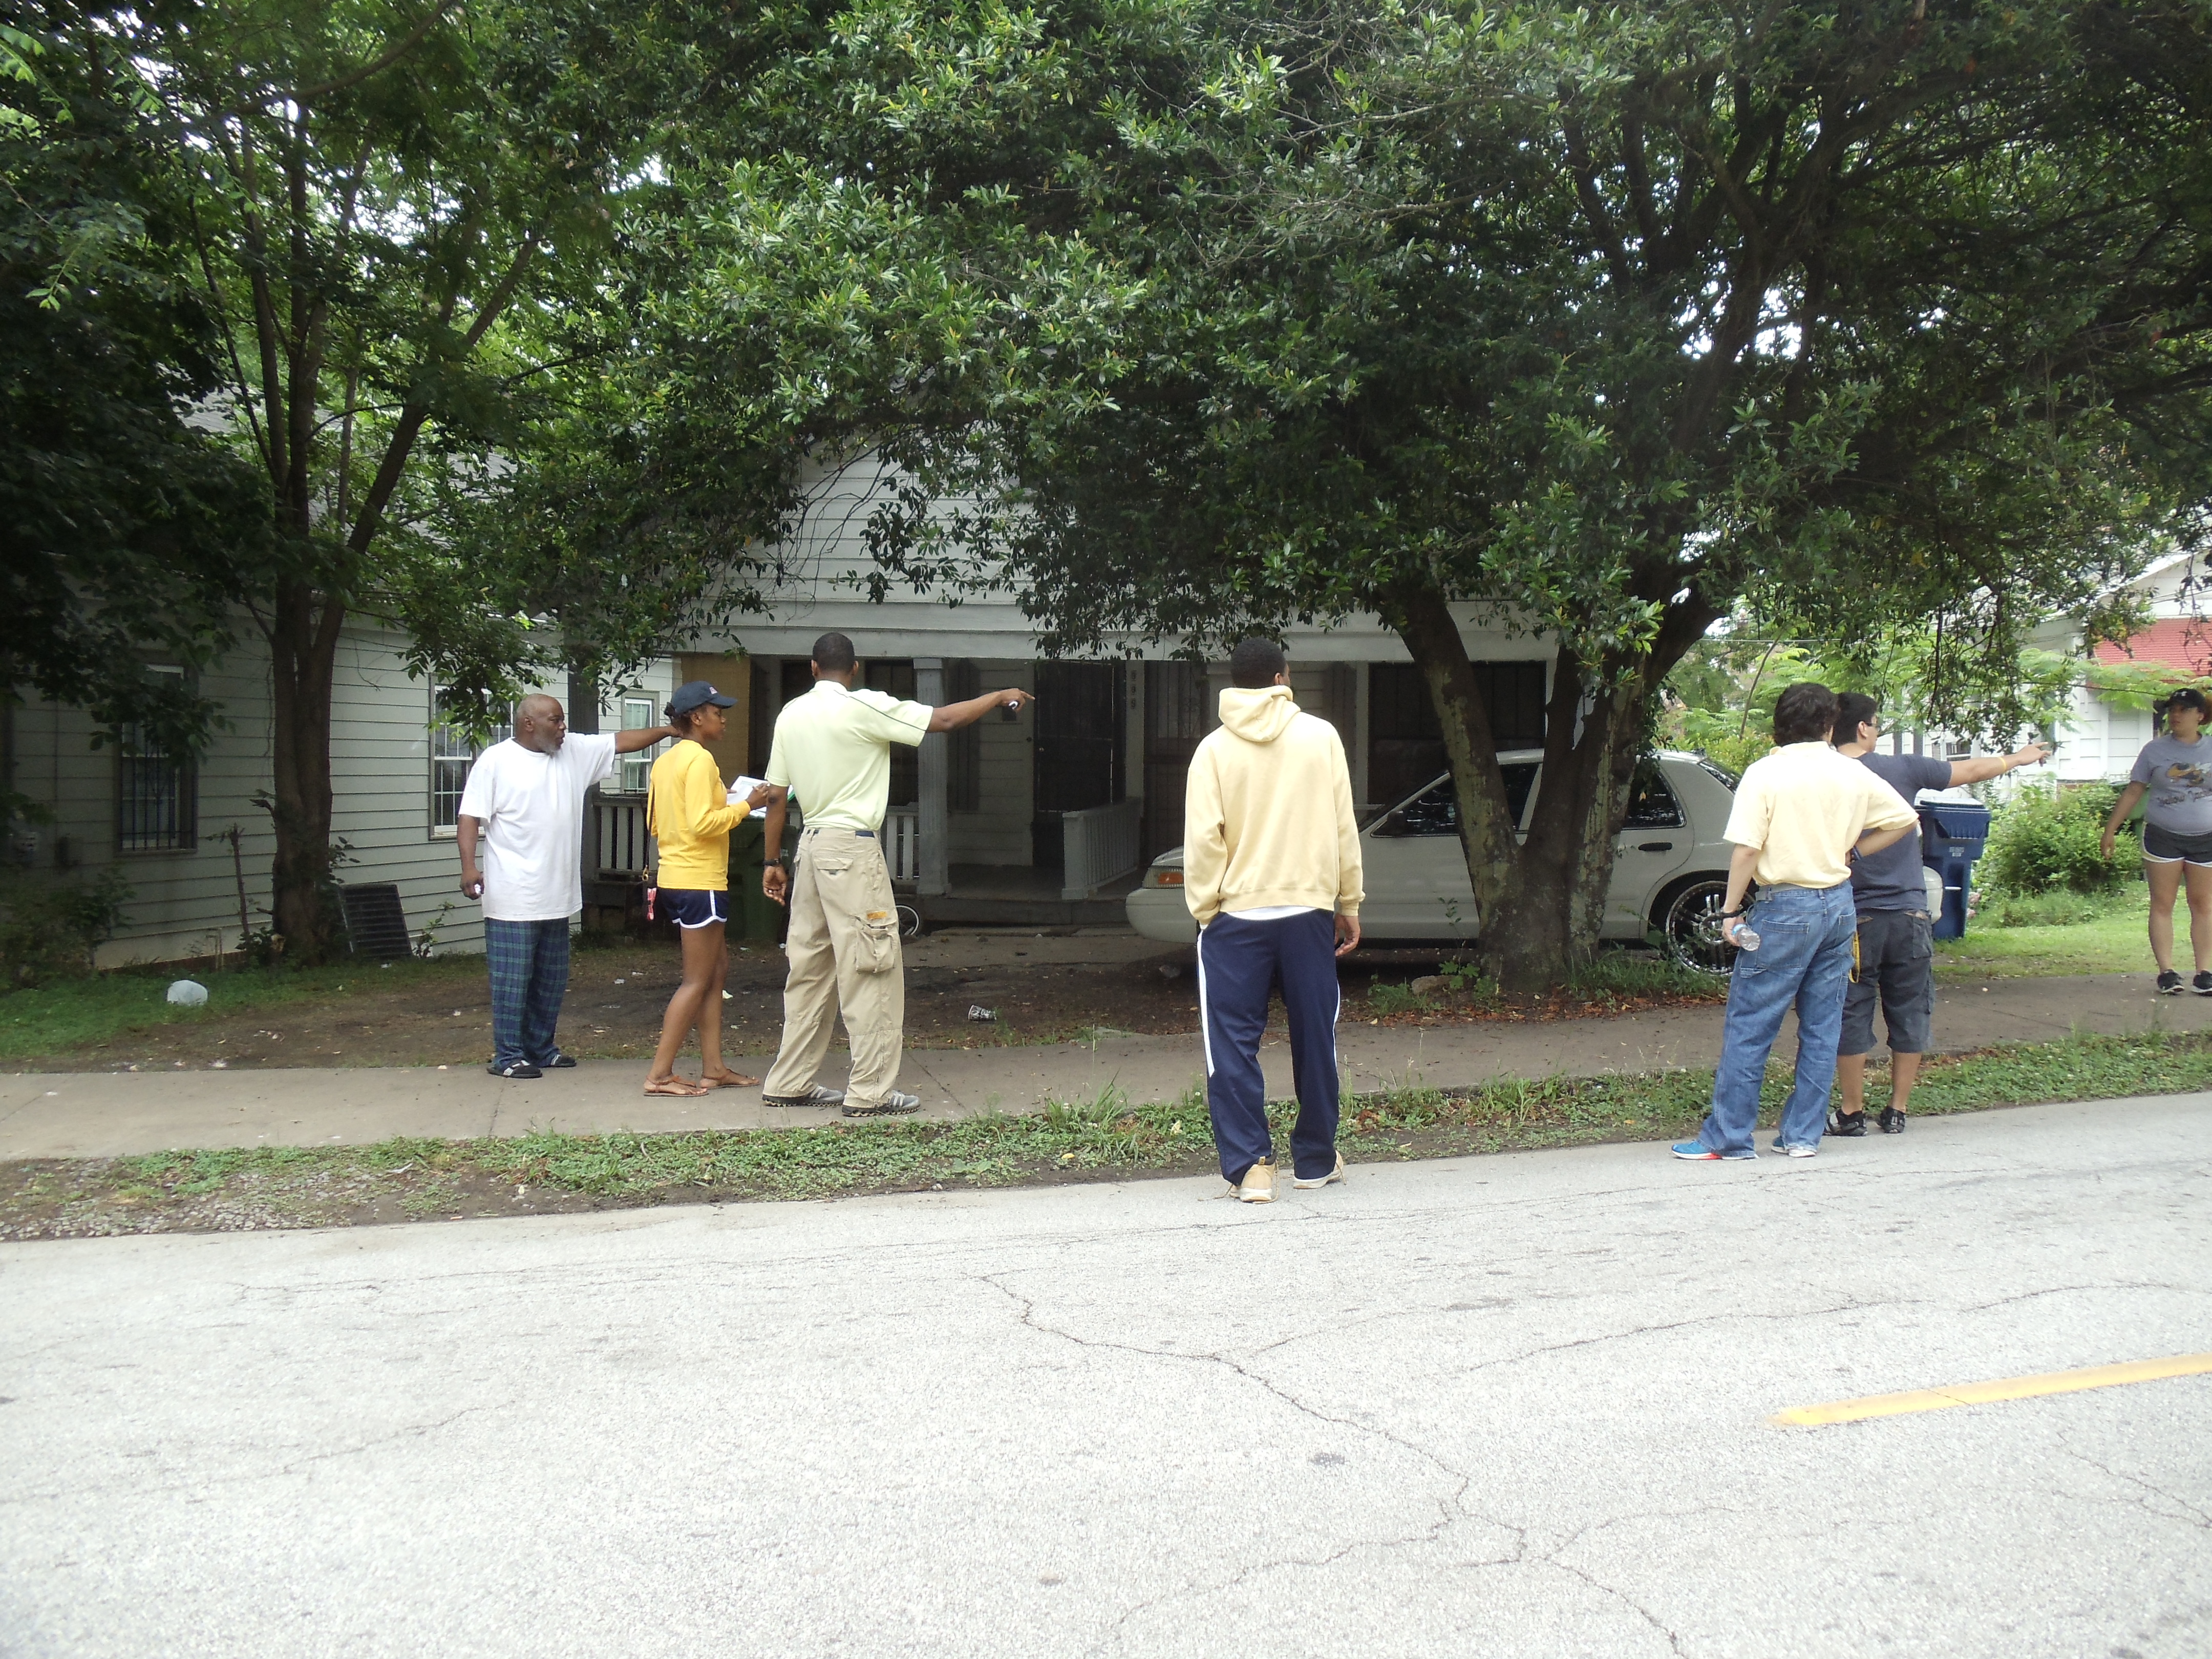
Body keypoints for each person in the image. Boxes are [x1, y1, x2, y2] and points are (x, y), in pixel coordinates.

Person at [757, 633, 1033, 1116]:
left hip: (811, 848)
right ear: (855, 669)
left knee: (810, 970)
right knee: (872, 966)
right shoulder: (864, 706)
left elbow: (776, 795)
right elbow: (943, 720)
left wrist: (771, 862)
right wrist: (996, 696)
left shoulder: (791, 714)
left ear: (814, 668)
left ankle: (790, 1081)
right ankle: (871, 1092)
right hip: (852, 848)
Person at [1672, 682, 1918, 1161]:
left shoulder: (1766, 773)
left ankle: (1728, 1138)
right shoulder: (1851, 771)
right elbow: (1904, 819)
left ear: (1780, 724)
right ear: (1830, 724)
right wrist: (1854, 853)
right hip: (1839, 906)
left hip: (1784, 907)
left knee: (1751, 1023)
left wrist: (1730, 911)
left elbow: (1747, 849)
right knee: (1823, 1025)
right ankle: (1802, 1135)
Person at [1183, 637, 1364, 1203]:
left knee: (1232, 1044)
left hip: (1236, 915)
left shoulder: (1212, 750)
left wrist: (1206, 910)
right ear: (1284, 678)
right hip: (1308, 910)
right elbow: (1343, 827)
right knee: (1315, 1034)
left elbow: (1203, 840)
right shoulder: (1321, 737)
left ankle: (1252, 1169)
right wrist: (1349, 902)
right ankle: (1315, 1159)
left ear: (1236, 683)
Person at [1831, 694, 2051, 1135]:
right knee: (1910, 1008)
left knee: (1851, 1011)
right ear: (1863, 727)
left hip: (1854, 916)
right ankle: (1897, 1110)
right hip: (1910, 913)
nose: (1878, 731)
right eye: (1876, 724)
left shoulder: (1823, 773)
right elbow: (1970, 771)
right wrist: (2018, 758)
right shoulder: (1902, 768)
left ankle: (1852, 1112)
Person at [457, 693, 674, 1080]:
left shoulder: (572, 751)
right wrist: (469, 867)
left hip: (557, 894)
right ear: (529, 724)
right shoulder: (496, 761)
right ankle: (508, 1056)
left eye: (563, 720)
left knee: (550, 980)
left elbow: (622, 741)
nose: (563, 728)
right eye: (555, 721)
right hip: (513, 896)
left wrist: (670, 730)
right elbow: (470, 817)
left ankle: (541, 1049)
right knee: (512, 982)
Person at [644, 680, 776, 1098]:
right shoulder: (701, 760)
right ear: (696, 717)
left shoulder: (665, 762)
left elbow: (656, 824)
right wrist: (747, 805)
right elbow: (703, 824)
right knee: (697, 981)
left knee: (716, 972)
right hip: (700, 881)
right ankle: (659, 1075)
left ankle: (714, 1068)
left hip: (674, 878)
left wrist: (724, 802)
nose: (723, 719)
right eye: (717, 712)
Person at [2101, 686, 2212, 996]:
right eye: (2172, 710)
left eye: (2183, 710)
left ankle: (2205, 972)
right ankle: (2167, 972)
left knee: (2203, 904)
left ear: (2200, 716)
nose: (2175, 716)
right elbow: (2134, 790)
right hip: (2163, 836)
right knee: (2163, 903)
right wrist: (2111, 829)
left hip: (2206, 838)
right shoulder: (2154, 750)